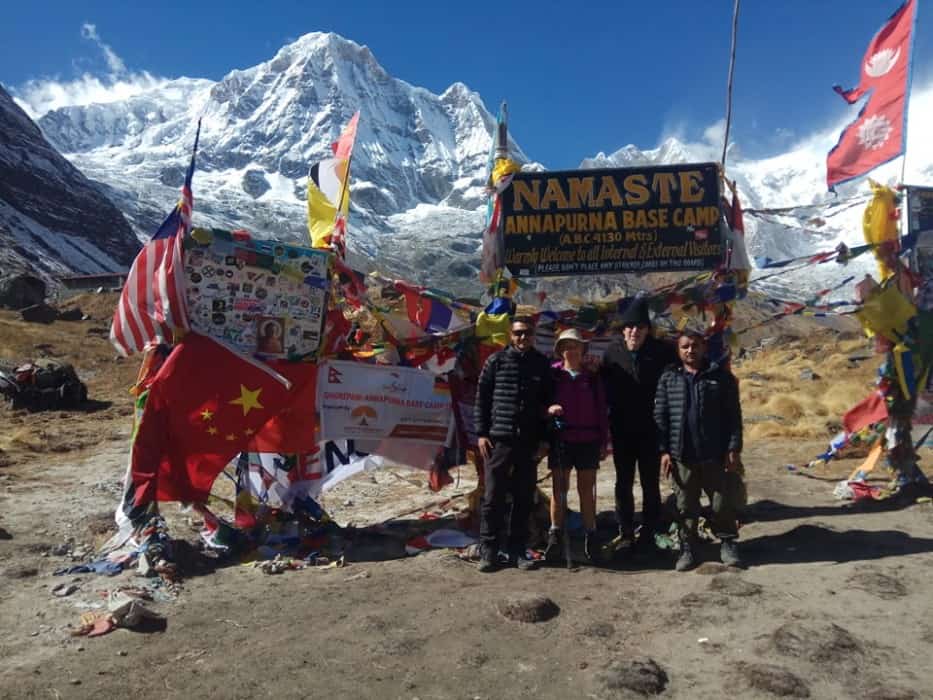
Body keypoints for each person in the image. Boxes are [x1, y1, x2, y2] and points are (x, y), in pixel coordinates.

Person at [654, 331, 744, 571]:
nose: (690, 350)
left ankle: (727, 542)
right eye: (685, 346)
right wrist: (663, 451)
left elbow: (733, 416)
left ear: (704, 347)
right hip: (681, 455)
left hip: (714, 453)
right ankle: (688, 548)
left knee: (720, 503)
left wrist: (734, 448)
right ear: (678, 350)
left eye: (695, 346)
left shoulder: (720, 377)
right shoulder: (669, 378)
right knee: (686, 505)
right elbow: (660, 417)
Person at [474, 316, 553, 572]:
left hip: (529, 442)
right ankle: (489, 550)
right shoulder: (495, 362)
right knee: (493, 496)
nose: (523, 338)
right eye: (518, 333)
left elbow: (547, 404)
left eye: (527, 333)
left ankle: (517, 550)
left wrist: (544, 441)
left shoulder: (542, 365)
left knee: (523, 497)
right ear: (511, 335)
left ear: (534, 335)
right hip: (498, 440)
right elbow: (482, 400)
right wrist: (481, 434)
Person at [601, 298, 677, 553]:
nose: (635, 331)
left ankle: (651, 529)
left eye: (640, 327)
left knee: (650, 482)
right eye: (630, 327)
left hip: (651, 429)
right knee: (623, 482)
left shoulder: (662, 352)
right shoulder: (612, 353)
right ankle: (625, 531)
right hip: (621, 428)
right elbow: (601, 388)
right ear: (623, 329)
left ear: (648, 329)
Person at [544, 329, 609, 563]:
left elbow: (602, 410)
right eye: (567, 346)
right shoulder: (552, 375)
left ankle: (591, 537)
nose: (571, 350)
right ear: (561, 350)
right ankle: (555, 537)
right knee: (559, 490)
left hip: (588, 440)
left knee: (586, 490)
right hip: (562, 439)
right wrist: (548, 410)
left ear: (582, 349)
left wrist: (604, 441)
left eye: (575, 345)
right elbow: (542, 402)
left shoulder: (592, 377)